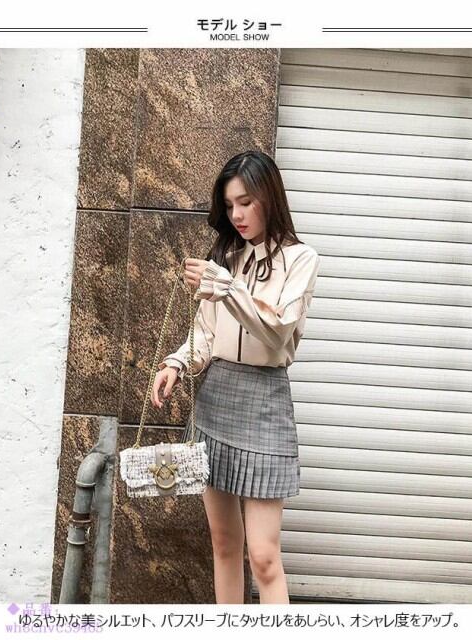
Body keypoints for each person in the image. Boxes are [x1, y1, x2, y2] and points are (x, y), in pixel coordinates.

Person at [151, 149, 321, 605]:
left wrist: (227, 286)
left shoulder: (301, 259)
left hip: (265, 402)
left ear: (270, 196)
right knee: (224, 544)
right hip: (216, 399)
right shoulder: (226, 256)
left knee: (263, 557)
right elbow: (206, 335)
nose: (237, 215)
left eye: (246, 202)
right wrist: (176, 363)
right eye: (229, 206)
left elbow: (277, 328)